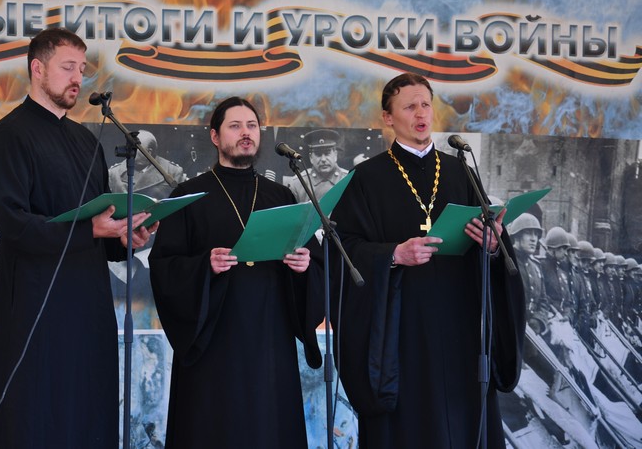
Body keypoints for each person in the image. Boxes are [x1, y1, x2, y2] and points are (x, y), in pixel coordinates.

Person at [0, 27, 154, 448]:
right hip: (35, 306)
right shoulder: (10, 134)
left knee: (86, 409)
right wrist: (91, 230)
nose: (78, 78)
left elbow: (98, 224)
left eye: (82, 69)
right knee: (36, 414)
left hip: (87, 303)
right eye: (68, 67)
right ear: (37, 69)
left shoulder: (84, 140)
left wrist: (123, 239)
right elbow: (14, 225)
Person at [330, 73, 525, 448]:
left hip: (460, 326)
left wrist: (493, 245)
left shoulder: (460, 171)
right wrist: (393, 254)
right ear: (388, 118)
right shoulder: (365, 178)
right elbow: (343, 249)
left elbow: (491, 241)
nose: (421, 114)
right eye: (409, 107)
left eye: (425, 105)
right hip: (402, 332)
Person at [148, 96, 323, 449]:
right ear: (215, 137)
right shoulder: (188, 195)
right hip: (214, 343)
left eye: (252, 126)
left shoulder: (282, 196)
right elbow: (164, 266)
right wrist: (204, 266)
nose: (246, 133)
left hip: (270, 339)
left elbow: (313, 263)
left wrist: (303, 267)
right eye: (235, 126)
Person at [108, 129, 187, 200]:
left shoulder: (172, 172)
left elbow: (178, 204)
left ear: (149, 152)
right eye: (129, 147)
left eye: (134, 148)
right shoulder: (114, 173)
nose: (130, 151)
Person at [283, 128, 349, 202]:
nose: (323, 159)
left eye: (327, 153)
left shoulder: (348, 180)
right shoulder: (299, 183)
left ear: (335, 154)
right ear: (311, 157)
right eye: (318, 154)